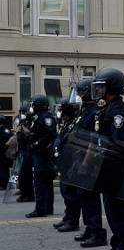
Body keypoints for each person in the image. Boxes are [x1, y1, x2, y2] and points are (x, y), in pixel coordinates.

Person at [85, 68, 124, 250]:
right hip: (107, 171)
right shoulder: (106, 109)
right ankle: (117, 249)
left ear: (111, 87)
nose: (98, 90)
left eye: (101, 86)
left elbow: (119, 145)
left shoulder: (119, 113)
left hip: (118, 172)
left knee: (119, 213)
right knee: (112, 212)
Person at [68, 78, 108, 247]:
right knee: (83, 196)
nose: (77, 97)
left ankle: (97, 232)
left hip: (89, 161)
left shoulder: (94, 111)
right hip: (80, 158)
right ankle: (90, 229)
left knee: (89, 197)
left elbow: (92, 140)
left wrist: (85, 163)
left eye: (79, 93)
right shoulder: (86, 111)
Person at [53, 96, 82, 232]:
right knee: (65, 193)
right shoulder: (66, 124)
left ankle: (72, 221)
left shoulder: (76, 124)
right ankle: (67, 218)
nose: (60, 114)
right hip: (63, 163)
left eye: (62, 110)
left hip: (71, 164)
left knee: (71, 195)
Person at [25, 95, 57, 218]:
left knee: (40, 182)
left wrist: (35, 144)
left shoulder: (46, 118)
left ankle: (41, 209)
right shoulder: (41, 118)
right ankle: (47, 208)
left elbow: (50, 134)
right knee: (46, 182)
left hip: (42, 154)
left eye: (33, 104)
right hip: (41, 154)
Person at [15, 106, 35, 202]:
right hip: (22, 150)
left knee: (26, 174)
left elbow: (31, 134)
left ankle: (29, 195)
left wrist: (23, 127)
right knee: (22, 174)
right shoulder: (25, 122)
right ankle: (24, 193)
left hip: (28, 150)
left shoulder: (33, 122)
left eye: (24, 112)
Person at [0, 114, 12, 189]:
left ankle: (4, 184)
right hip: (1, 152)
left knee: (3, 168)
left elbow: (10, 137)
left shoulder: (4, 129)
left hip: (4, 152)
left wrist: (5, 145)